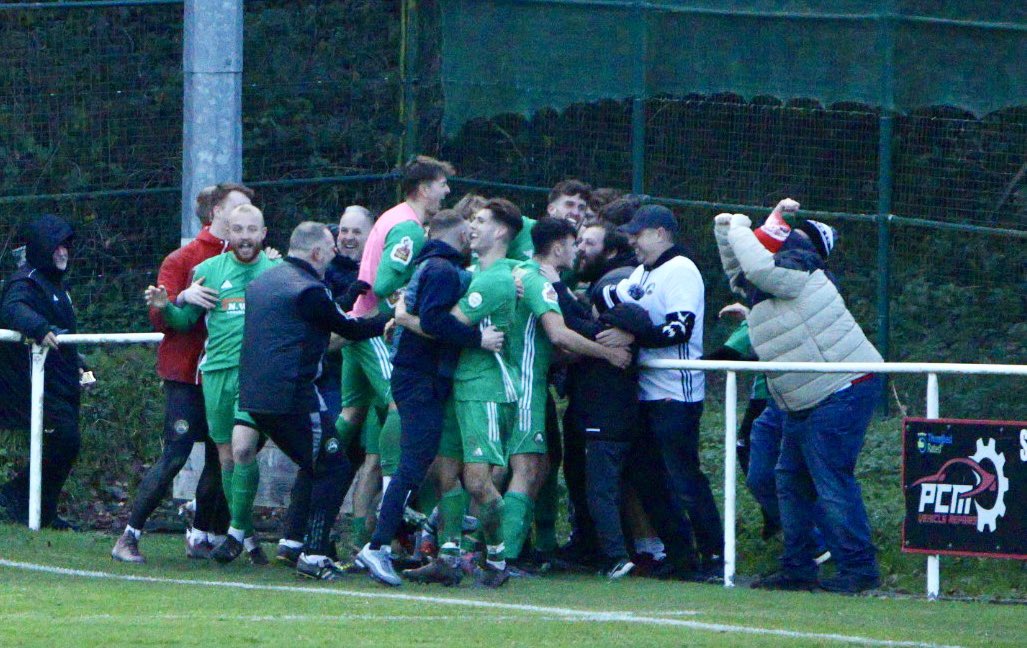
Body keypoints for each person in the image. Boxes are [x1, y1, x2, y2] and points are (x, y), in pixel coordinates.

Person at [716, 209, 883, 594]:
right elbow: (742, 273)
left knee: (830, 480)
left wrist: (740, 228)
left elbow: (756, 269)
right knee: (789, 481)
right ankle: (798, 567)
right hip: (806, 397)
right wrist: (725, 232)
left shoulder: (796, 270)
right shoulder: (775, 278)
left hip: (841, 388)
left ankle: (859, 569)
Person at [363, 199, 522, 589]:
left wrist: (404, 317)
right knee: (424, 465)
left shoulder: (477, 274)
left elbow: (439, 317)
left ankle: (483, 556)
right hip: (431, 379)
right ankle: (388, 545)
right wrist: (473, 337)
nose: (473, 227)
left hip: (472, 386)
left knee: (464, 476)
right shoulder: (448, 269)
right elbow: (439, 321)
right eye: (471, 222)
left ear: (500, 232)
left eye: (480, 221)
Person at [238, 222, 389, 580]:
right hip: (292, 397)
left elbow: (320, 315)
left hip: (255, 396)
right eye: (331, 248)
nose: (335, 253)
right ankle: (315, 553)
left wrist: (348, 298)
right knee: (333, 466)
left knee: (317, 463)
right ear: (317, 252)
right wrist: (393, 317)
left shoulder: (266, 281)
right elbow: (347, 328)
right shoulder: (309, 289)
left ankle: (295, 542)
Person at [112, 183, 250, 564]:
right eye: (238, 209)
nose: (245, 219)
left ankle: (201, 533)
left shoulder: (246, 259)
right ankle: (129, 535)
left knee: (221, 456)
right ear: (217, 212)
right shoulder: (184, 258)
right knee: (176, 454)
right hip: (185, 376)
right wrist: (179, 298)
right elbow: (161, 316)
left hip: (222, 378)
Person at [142, 204, 279, 565]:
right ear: (228, 234)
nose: (245, 237)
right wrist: (166, 306)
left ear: (263, 234)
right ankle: (244, 535)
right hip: (216, 374)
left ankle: (236, 535)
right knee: (226, 456)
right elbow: (184, 321)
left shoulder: (276, 273)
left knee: (244, 449)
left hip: (256, 375)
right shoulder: (208, 271)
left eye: (252, 230)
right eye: (238, 230)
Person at [599, 204, 724, 579]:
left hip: (675, 393)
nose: (632, 242)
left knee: (684, 478)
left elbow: (679, 329)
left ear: (660, 233)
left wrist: (634, 333)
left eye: (638, 234)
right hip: (645, 393)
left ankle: (714, 557)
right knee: (647, 478)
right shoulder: (641, 272)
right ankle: (680, 553)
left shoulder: (682, 270)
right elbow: (609, 299)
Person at [502, 218, 630, 570]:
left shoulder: (518, 272)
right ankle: (504, 556)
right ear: (558, 247)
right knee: (526, 468)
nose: (578, 252)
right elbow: (558, 334)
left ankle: (510, 548)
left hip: (515, 382)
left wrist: (581, 354)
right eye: (574, 245)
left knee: (534, 466)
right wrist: (606, 353)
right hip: (525, 386)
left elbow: (548, 346)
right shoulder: (538, 281)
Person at [342, 156, 454, 550]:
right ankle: (396, 503)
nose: (447, 191)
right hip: (376, 328)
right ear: (424, 188)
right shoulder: (408, 227)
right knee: (399, 404)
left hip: (360, 328)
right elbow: (383, 281)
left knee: (355, 422)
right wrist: (406, 308)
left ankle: (352, 529)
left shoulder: (397, 219)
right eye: (442, 184)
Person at [276, 204, 374, 565]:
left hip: (366, 384)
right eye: (343, 231)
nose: (347, 238)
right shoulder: (322, 276)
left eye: (356, 232)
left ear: (373, 236)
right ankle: (299, 538)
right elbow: (329, 334)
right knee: (325, 456)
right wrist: (374, 322)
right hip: (331, 382)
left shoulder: (377, 274)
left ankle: (362, 543)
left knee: (363, 460)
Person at [0, 214, 82, 528]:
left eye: (66, 246)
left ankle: (39, 509)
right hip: (33, 383)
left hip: (59, 383)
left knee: (66, 443)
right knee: (66, 440)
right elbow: (12, 309)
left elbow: (63, 336)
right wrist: (37, 327)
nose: (63, 253)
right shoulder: (26, 281)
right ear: (41, 248)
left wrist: (80, 364)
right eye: (56, 246)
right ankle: (18, 496)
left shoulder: (56, 285)